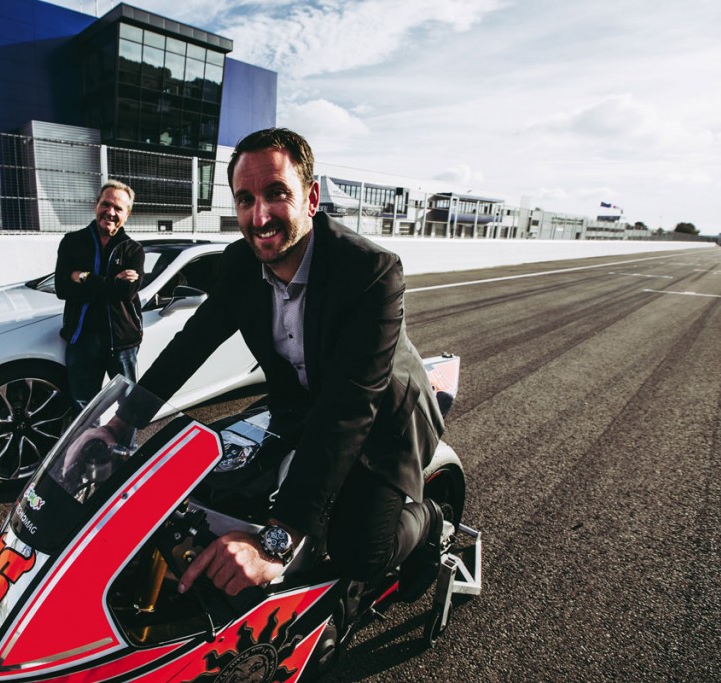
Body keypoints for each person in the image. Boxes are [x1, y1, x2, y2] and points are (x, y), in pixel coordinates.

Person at [132, 128, 447, 599]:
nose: (259, 216)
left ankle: (432, 518)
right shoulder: (237, 263)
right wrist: (120, 421)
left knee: (358, 551)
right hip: (302, 401)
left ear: (311, 197)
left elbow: (348, 408)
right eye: (245, 199)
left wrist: (277, 541)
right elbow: (189, 345)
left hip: (384, 415)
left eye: (276, 193)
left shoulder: (371, 271)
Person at [55, 180, 145, 408]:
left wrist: (82, 277)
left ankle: (127, 445)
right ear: (96, 205)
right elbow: (62, 288)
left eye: (118, 208)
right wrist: (111, 283)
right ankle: (89, 445)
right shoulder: (72, 242)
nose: (110, 212)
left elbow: (126, 292)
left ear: (127, 214)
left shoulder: (133, 249)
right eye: (106, 204)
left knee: (128, 405)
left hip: (123, 341)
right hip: (82, 339)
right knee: (83, 406)